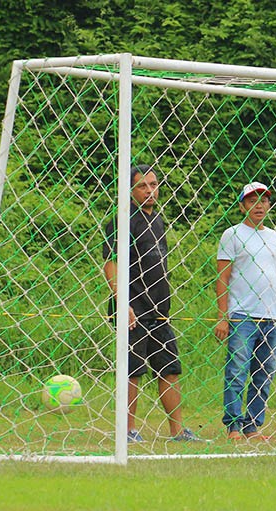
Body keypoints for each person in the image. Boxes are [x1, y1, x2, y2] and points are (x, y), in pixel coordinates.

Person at [102, 164, 200, 443]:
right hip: (133, 309)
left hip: (160, 311)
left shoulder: (157, 220)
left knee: (169, 368)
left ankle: (178, 431)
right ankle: (129, 430)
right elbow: (111, 263)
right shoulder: (123, 220)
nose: (150, 190)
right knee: (133, 371)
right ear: (131, 190)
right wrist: (122, 301)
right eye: (143, 186)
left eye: (154, 185)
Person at [214, 182, 276, 440]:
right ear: (242, 206)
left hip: (272, 318)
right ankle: (233, 426)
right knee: (237, 371)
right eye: (252, 200)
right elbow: (222, 277)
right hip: (242, 316)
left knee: (264, 374)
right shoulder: (232, 235)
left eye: (263, 200)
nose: (259, 205)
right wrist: (223, 316)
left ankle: (252, 426)